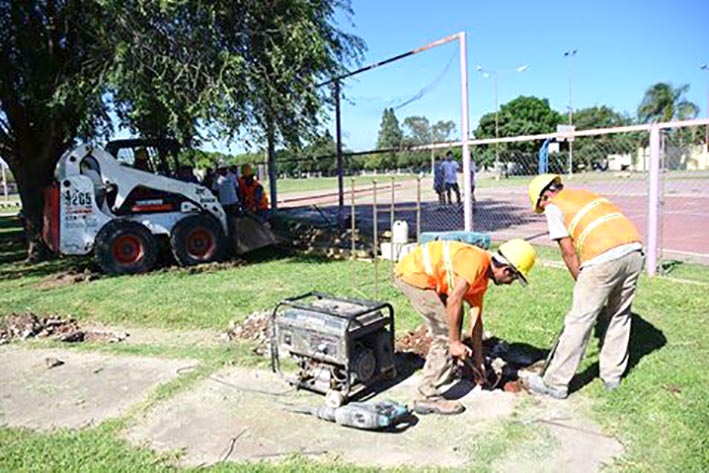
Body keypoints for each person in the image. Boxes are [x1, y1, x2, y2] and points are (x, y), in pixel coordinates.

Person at [523, 174, 644, 399]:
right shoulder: (585, 194)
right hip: (634, 252)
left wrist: (582, 283)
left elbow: (568, 251)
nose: (542, 210)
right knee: (619, 315)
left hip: (603, 258)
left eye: (540, 205)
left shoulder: (553, 206)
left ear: (544, 196)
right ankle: (612, 377)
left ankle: (555, 383)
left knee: (580, 319)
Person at [395, 238, 536, 415]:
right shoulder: (476, 261)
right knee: (446, 334)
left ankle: (445, 366)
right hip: (414, 275)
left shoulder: (480, 281)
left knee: (454, 322)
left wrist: (479, 360)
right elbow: (454, 299)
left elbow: (476, 324)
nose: (510, 283)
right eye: (514, 277)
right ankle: (426, 397)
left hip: (424, 276)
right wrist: (454, 343)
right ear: (506, 270)